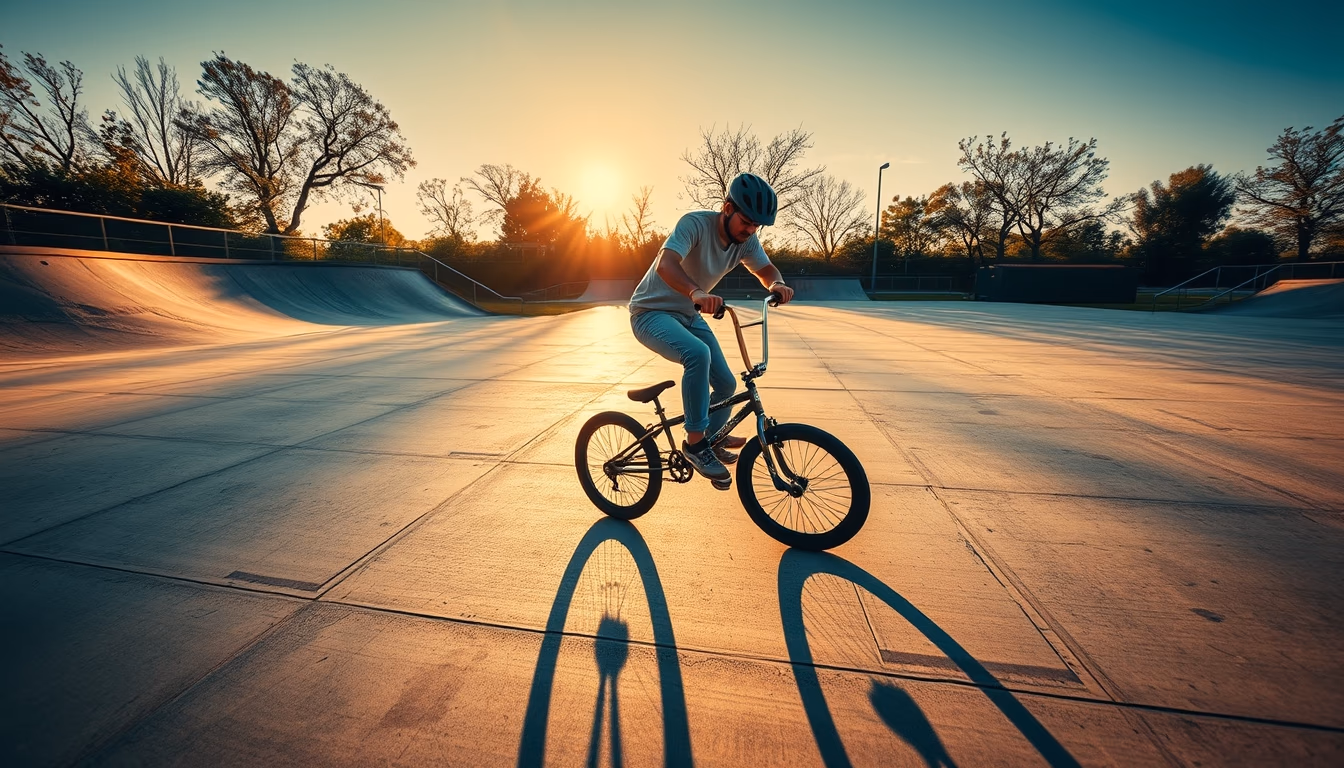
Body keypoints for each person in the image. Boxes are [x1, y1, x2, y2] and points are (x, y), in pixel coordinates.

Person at [627, 173, 795, 489]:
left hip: (688, 316)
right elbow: (666, 264)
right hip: (651, 313)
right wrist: (696, 293)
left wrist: (777, 283)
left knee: (726, 382)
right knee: (697, 354)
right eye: (746, 221)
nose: (750, 230)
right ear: (727, 208)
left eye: (756, 226)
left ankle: (714, 439)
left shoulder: (746, 242)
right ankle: (695, 445)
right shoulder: (694, 224)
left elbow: (766, 269)